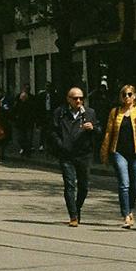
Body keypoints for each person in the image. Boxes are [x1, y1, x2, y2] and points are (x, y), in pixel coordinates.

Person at [100, 84, 136, 228]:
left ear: (134, 96)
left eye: (129, 94)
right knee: (124, 184)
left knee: (135, 186)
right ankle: (126, 214)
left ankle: (131, 208)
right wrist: (104, 152)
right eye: (124, 95)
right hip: (119, 152)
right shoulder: (115, 112)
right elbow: (108, 133)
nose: (126, 97)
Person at [50, 86, 99, 227]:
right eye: (75, 98)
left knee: (84, 186)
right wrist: (61, 144)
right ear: (68, 99)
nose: (78, 100)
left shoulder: (90, 113)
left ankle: (77, 208)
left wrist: (93, 128)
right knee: (70, 185)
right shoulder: (60, 113)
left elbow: (99, 130)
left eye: (81, 98)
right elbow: (52, 131)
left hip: (84, 154)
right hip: (67, 155)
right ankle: (73, 216)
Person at [11, 86, 37, 157]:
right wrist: (14, 118)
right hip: (20, 122)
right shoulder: (18, 101)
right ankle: (24, 148)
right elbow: (14, 110)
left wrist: (34, 120)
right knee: (20, 138)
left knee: (29, 138)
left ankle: (27, 152)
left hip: (29, 122)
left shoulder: (31, 101)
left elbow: (34, 111)